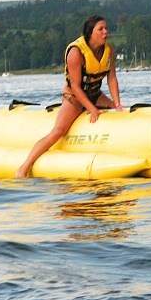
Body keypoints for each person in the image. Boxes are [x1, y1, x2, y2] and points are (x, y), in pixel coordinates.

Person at [16, 15, 122, 178]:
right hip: (74, 96)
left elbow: (112, 78)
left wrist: (117, 104)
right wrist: (92, 109)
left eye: (106, 28)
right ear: (90, 33)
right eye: (100, 29)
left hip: (95, 93)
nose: (105, 32)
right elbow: (75, 87)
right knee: (59, 130)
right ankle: (24, 167)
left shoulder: (109, 50)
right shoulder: (76, 52)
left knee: (119, 113)